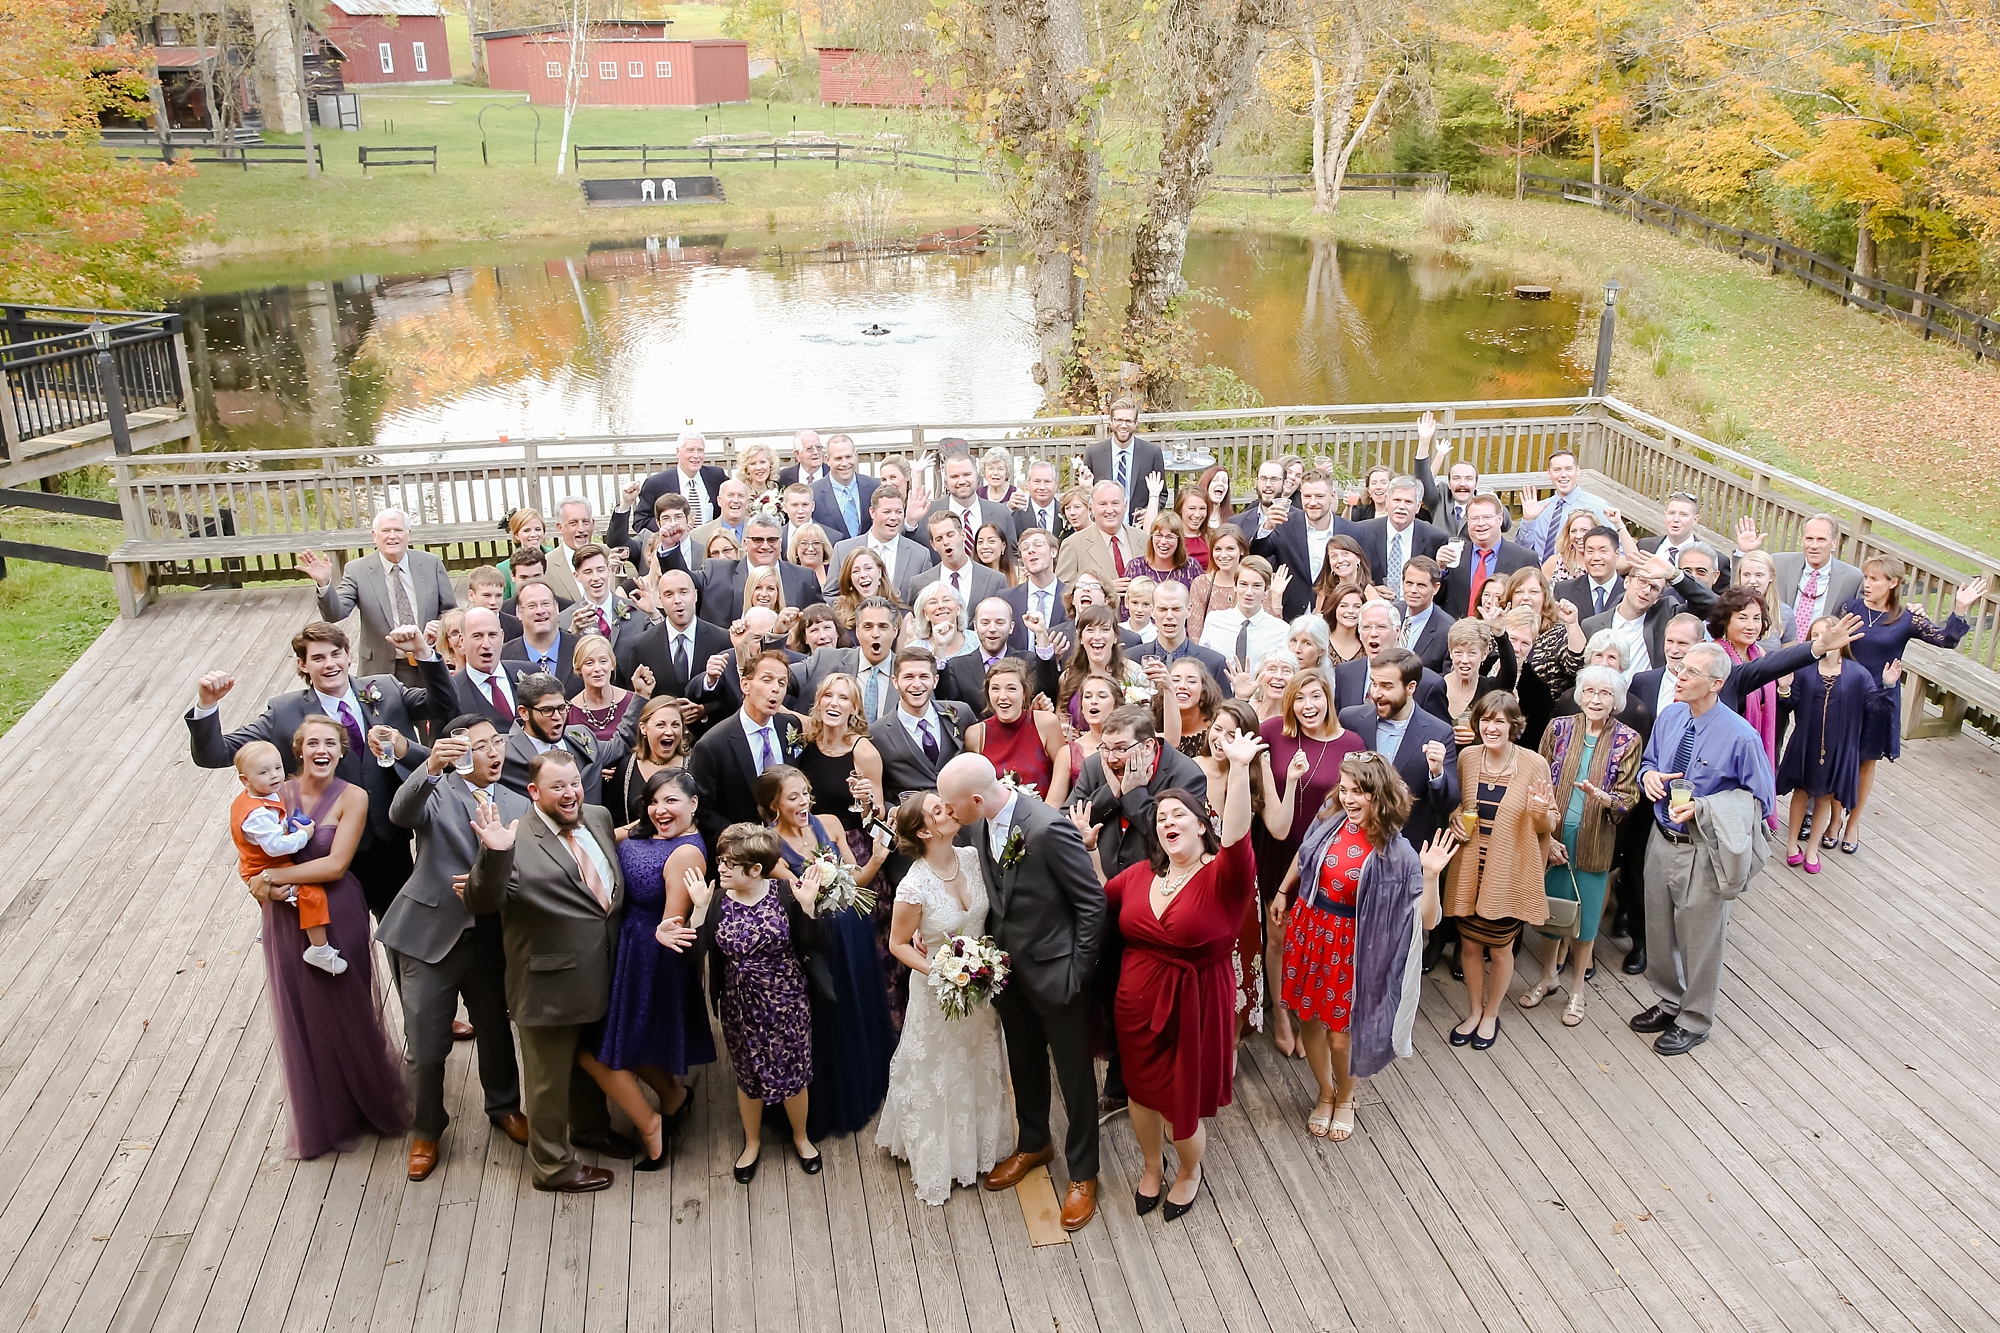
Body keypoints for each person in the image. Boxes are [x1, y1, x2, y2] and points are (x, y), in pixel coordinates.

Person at [1088, 732, 1256, 1217]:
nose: (1167, 822)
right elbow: (1101, 896)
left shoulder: (1224, 877)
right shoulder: (1142, 874)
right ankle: (1151, 1166)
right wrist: (1083, 849)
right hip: (1135, 1002)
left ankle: (1188, 1171)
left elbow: (1239, 836)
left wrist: (1240, 769)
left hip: (1195, 1002)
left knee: (1180, 1106)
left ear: (1203, 826)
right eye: (1160, 818)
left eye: (1179, 814)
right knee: (1139, 1092)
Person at [940, 754, 1108, 1233]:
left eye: (955, 808)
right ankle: (1034, 1141)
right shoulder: (978, 825)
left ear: (976, 799)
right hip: (1008, 974)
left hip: (1059, 976)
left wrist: (1076, 973)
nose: (952, 816)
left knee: (1074, 1077)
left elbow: (1091, 904)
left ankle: (1083, 1173)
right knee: (1025, 1062)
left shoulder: (1046, 828)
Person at [187, 620, 450, 922]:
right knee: (344, 945)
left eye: (335, 654)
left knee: (405, 936)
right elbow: (215, 753)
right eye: (318, 658)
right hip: (324, 848)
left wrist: (423, 652)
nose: (330, 664)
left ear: (348, 655)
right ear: (303, 664)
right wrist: (207, 705)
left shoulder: (385, 688)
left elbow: (442, 703)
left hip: (391, 841)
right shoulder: (284, 713)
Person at [240, 716, 413, 1158]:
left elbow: (335, 865)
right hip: (285, 914)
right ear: (299, 751)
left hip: (337, 911)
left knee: (346, 1004)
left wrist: (272, 875)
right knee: (303, 1010)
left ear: (341, 752)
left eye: (330, 743)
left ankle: (364, 1099)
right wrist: (258, 882)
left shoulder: (354, 797)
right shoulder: (277, 792)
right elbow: (250, 845)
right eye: (312, 742)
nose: (321, 749)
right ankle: (325, 1111)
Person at [381, 717, 531, 1180]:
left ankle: (504, 1106)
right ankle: (426, 1129)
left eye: (497, 743)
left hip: (490, 938)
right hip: (429, 936)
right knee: (425, 1049)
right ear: (459, 752)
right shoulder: (438, 790)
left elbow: (527, 868)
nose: (493, 752)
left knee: (496, 1031)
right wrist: (429, 766)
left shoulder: (519, 802)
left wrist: (498, 884)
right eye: (481, 745)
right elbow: (400, 815)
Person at [1272, 752, 1445, 1140]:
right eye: (1345, 789)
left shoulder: (1398, 854)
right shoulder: (1329, 820)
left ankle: (1347, 1097)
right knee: (1310, 1022)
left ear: (1379, 796)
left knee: (1341, 1034)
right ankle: (1326, 1091)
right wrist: (1284, 890)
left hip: (1355, 949)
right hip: (1311, 931)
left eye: (1359, 792)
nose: (1348, 799)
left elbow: (1428, 920)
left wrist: (1431, 876)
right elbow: (1305, 857)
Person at [1629, 643, 1776, 1055]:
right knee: (1658, 930)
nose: (1679, 676)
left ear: (1716, 683)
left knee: (1700, 940)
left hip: (1704, 850)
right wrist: (1650, 778)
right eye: (1679, 668)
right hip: (1661, 841)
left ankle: (1694, 1019)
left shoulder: (1742, 737)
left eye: (1691, 672)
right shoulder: (1671, 716)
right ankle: (1669, 1000)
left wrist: (1704, 808)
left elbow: (1759, 802)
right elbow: (1649, 763)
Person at [878, 790, 1018, 1205]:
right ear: (924, 830)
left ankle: (981, 1146)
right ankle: (940, 1157)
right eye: (938, 810)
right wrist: (942, 972)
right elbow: (899, 944)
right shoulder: (913, 885)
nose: (949, 810)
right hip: (939, 991)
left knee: (979, 1061)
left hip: (980, 985)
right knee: (938, 1068)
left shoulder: (973, 858)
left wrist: (978, 968)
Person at [759, 765, 894, 1141]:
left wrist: (878, 859)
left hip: (853, 931)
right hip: (814, 939)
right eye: (793, 796)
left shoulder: (831, 822)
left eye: (805, 792)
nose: (803, 802)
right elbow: (799, 899)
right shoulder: (770, 846)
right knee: (825, 1015)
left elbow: (857, 879)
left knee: (858, 1004)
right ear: (774, 804)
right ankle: (825, 1102)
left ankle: (865, 1080)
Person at [687, 824, 826, 1181]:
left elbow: (815, 945)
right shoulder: (715, 899)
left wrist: (810, 908)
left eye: (729, 864)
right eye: (720, 860)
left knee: (794, 1072)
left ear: (755, 870)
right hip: (739, 1004)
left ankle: (801, 1137)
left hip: (787, 1000)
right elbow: (696, 955)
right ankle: (751, 1143)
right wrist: (699, 912)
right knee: (747, 1073)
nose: (720, 868)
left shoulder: (785, 894)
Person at [1828, 557, 1983, 852]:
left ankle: (1853, 823)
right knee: (1840, 758)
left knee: (1865, 761)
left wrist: (1960, 608)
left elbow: (1945, 639)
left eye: (1875, 579)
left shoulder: (1905, 618)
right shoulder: (1850, 608)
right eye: (1866, 577)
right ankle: (1834, 819)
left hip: (1880, 697)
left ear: (1893, 583)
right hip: (1845, 692)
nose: (1868, 584)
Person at [1519, 668, 1641, 1027]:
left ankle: (1577, 990)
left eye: (1605, 693)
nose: (1596, 699)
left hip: (1594, 839)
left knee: (1586, 919)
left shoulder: (1627, 739)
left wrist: (1602, 797)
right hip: (1553, 836)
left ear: (1615, 699)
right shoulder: (1559, 728)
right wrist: (1548, 838)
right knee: (1551, 913)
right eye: (1589, 691)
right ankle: (1548, 977)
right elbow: (1536, 780)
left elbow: (1628, 798)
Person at [1256, 666, 1363, 1055]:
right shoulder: (1273, 733)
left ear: (1329, 699)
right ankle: (1281, 1016)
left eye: (1315, 696)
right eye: (1299, 698)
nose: (1307, 705)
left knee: (1315, 940)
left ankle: (1308, 1014)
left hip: (1324, 858)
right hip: (1277, 848)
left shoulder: (1351, 742)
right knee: (1279, 935)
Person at [1444, 691, 1557, 1050]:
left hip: (1510, 872)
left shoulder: (1534, 764)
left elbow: (1547, 823)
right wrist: (1453, 821)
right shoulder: (1467, 758)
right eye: (1486, 720)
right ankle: (1474, 1011)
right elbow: (1461, 805)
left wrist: (1539, 810)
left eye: (1499, 721)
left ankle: (1492, 1013)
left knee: (1501, 948)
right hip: (1469, 871)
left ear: (1514, 725)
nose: (1491, 728)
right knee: (1470, 945)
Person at [1777, 618, 1896, 873]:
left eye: (1828, 634)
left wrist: (1887, 685)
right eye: (1816, 635)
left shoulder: (1857, 674)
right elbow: (1789, 704)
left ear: (1842, 640)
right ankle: (1791, 845)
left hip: (1840, 747)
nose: (1824, 639)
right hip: (1805, 744)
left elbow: (1876, 708)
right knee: (1800, 792)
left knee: (1825, 797)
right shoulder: (1804, 669)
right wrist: (1785, 690)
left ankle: (1812, 848)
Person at [301, 508, 458, 686]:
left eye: (398, 530)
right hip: (381, 667)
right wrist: (324, 584)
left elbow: (450, 612)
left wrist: (439, 627)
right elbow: (334, 614)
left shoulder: (431, 563)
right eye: (385, 531)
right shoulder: (357, 570)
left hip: (429, 660)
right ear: (375, 535)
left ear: (409, 534)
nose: (392, 536)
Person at [229, 741, 340, 973]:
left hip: (259, 862)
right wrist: (303, 835)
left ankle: (269, 924)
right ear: (245, 780)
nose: (274, 776)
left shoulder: (263, 796)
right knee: (312, 894)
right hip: (265, 864)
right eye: (263, 772)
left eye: (278, 768)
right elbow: (276, 846)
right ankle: (320, 951)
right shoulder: (257, 815)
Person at [1336, 648, 1459, 854]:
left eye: (1386, 686)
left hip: (1406, 851)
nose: (1376, 693)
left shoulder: (1439, 732)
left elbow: (1447, 804)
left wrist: (1437, 773)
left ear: (1410, 687)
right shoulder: (1350, 719)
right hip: (1351, 846)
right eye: (1374, 683)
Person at [686, 650, 807, 851]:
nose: (775, 689)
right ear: (745, 685)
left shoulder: (791, 726)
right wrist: (746, 843)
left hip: (793, 846)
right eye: (767, 680)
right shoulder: (712, 745)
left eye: (782, 683)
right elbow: (702, 811)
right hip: (743, 854)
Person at [501, 669, 644, 811]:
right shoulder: (504, 754)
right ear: (524, 712)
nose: (557, 716)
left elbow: (619, 746)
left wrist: (641, 696)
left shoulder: (581, 736)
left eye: (562, 708)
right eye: (547, 710)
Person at [861, 646, 977, 805]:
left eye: (924, 676)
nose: (917, 684)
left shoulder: (960, 713)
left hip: (963, 818)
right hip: (913, 822)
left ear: (935, 680)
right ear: (895, 681)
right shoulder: (877, 734)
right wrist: (893, 811)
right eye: (908, 677)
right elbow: (881, 792)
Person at [1733, 513, 1862, 637]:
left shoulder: (1853, 578)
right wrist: (1744, 553)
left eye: (1821, 539)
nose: (1814, 546)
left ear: (1834, 543)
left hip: (1822, 651)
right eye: (1809, 539)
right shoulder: (1779, 563)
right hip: (1778, 647)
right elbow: (1739, 591)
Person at [965, 657, 1071, 806]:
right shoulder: (975, 734)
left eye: (1011, 688)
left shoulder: (1046, 723)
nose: (1002, 696)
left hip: (1043, 818)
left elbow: (1063, 776)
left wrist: (1046, 821)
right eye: (995, 688)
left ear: (1024, 692)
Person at [831, 485, 933, 597]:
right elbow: (831, 594)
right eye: (887, 512)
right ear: (872, 512)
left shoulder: (920, 555)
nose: (894, 517)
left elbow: (926, 599)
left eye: (899, 512)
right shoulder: (843, 550)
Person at [606, 695, 687, 827]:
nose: (669, 731)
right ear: (643, 728)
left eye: (675, 725)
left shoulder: (695, 763)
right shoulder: (627, 767)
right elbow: (615, 818)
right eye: (661, 725)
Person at [1515, 449, 1612, 559]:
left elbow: (1616, 552)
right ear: (1549, 474)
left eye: (1568, 469)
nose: (1563, 475)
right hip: (1539, 572)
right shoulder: (1540, 508)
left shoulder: (1598, 507)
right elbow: (1520, 551)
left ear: (1578, 471)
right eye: (1557, 470)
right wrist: (1528, 521)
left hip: (1576, 572)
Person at [1198, 555, 1289, 671]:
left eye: (1256, 586)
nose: (1249, 592)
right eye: (1243, 584)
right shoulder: (1214, 620)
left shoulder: (1281, 630)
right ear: (1235, 585)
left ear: (1266, 589)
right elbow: (1203, 665)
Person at [906, 509, 1007, 612]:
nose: (945, 542)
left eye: (950, 535)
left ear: (963, 535)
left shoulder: (995, 580)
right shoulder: (919, 584)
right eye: (939, 539)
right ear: (933, 545)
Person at [1085, 398, 1166, 524]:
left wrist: (1151, 510)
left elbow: (1162, 494)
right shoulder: (1094, 453)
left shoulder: (1152, 453)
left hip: (1138, 527)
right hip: (1104, 526)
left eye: (1128, 421)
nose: (1123, 425)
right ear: (1110, 421)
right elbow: (1086, 493)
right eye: (1119, 420)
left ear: (1136, 423)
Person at [637, 431, 726, 534]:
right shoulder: (656, 483)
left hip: (711, 544)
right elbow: (640, 521)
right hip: (675, 543)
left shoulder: (716, 476)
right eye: (690, 450)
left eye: (700, 450)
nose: (696, 455)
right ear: (678, 452)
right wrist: (671, 528)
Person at [503, 579, 582, 691]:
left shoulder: (582, 648)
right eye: (531, 606)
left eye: (546, 603)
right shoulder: (504, 657)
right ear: (520, 612)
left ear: (557, 608)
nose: (540, 611)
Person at [566, 632, 640, 746]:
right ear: (578, 668)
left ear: (612, 664)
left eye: (603, 661)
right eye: (589, 663)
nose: (597, 668)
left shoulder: (633, 702)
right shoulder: (569, 712)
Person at [809, 434, 880, 541]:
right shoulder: (814, 493)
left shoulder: (875, 486)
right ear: (827, 459)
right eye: (838, 458)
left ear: (856, 455)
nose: (844, 463)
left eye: (848, 457)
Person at [1188, 526, 1250, 644]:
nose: (1223, 555)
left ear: (1241, 550)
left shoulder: (1254, 583)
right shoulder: (1201, 584)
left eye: (1230, 549)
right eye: (1218, 549)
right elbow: (1195, 635)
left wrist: (1276, 598)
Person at [1397, 555, 1455, 671]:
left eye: (1421, 585)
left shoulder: (1447, 630)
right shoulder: (1391, 612)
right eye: (1409, 583)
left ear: (1435, 588)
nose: (1413, 590)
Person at [1127, 512, 1199, 594]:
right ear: (1151, 537)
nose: (1163, 541)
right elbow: (1126, 604)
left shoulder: (1191, 566)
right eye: (1159, 535)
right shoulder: (1135, 567)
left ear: (1179, 540)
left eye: (1170, 537)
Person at [496, 508, 550, 595]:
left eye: (538, 529)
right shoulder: (503, 568)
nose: (533, 534)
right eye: (526, 530)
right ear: (516, 535)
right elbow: (504, 604)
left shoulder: (557, 557)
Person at [1541, 510, 1600, 585]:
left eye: (1584, 530)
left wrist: (1619, 526)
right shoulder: (1555, 562)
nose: (1578, 536)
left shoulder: (1603, 563)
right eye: (1573, 531)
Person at [1173, 486, 1214, 571]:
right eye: (1192, 508)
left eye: (1202, 508)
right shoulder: (1170, 537)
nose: (1197, 515)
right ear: (1180, 508)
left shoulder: (1212, 536)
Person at [973, 521, 1021, 587]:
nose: (985, 546)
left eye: (991, 541)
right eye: (980, 542)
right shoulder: (970, 576)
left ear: (1003, 545)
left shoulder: (1019, 574)